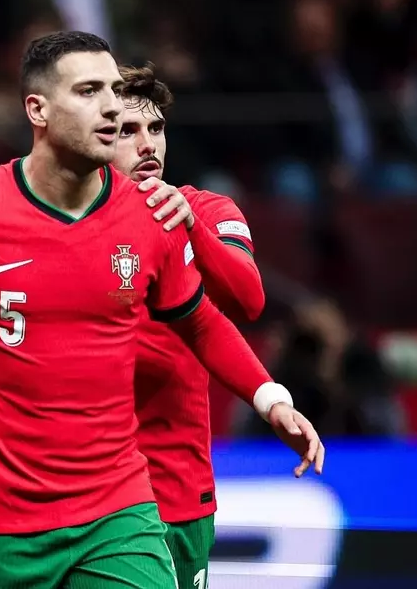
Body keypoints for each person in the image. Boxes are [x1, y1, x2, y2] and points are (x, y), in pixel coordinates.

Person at [0, 32, 325, 588]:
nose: (111, 107)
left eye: (111, 91)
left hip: (117, 513)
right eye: (88, 91)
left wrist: (271, 399)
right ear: (37, 109)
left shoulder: (153, 216)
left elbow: (202, 320)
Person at [113, 63, 267, 589]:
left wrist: (191, 227)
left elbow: (248, 298)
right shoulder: (67, 227)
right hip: (90, 489)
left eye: (156, 128)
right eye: (128, 131)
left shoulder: (208, 209)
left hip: (177, 489)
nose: (147, 145)